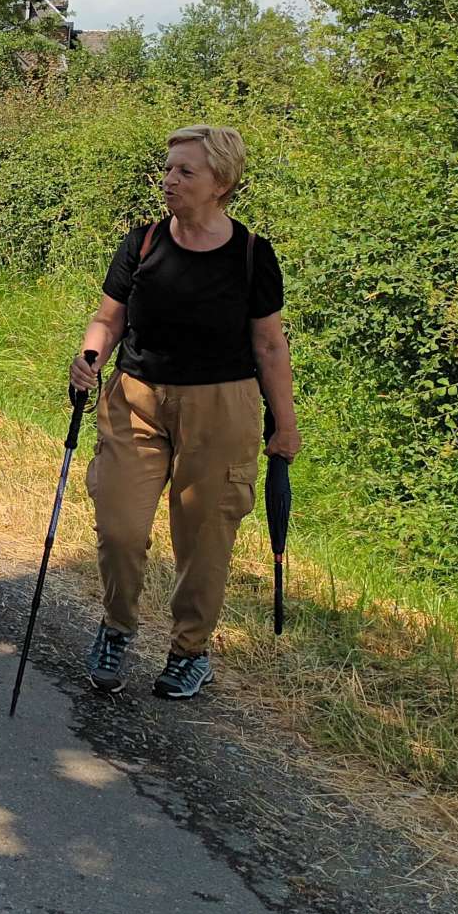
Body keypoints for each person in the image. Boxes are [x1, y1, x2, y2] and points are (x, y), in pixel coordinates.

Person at [69, 124, 299, 700]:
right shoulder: (143, 243)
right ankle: (116, 627)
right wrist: (90, 356)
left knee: (205, 539)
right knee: (119, 527)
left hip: (222, 406)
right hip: (136, 398)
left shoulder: (251, 255)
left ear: (221, 182)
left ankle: (190, 651)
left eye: (184, 171)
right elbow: (109, 319)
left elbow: (270, 346)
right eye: (168, 168)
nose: (169, 179)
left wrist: (286, 425)